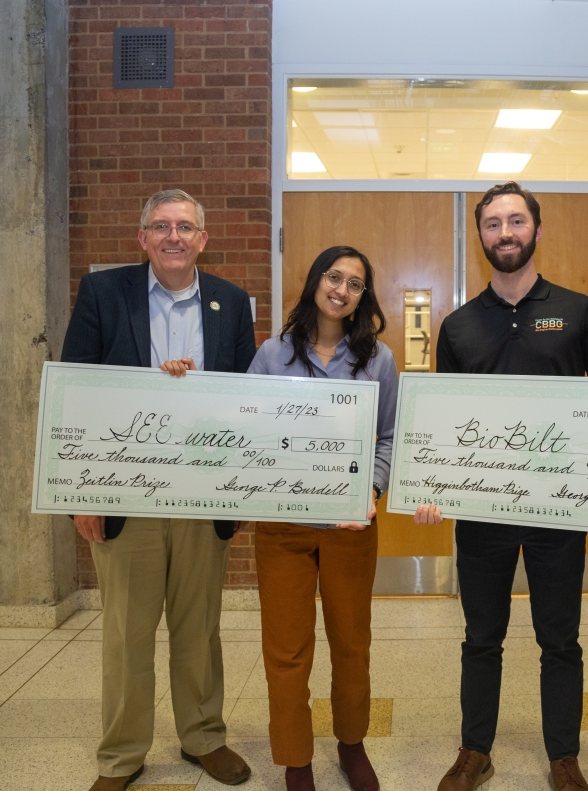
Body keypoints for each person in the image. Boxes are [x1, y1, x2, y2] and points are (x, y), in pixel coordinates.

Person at [413, 181, 588, 791]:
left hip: (557, 511)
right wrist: (432, 484)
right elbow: (443, 419)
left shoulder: (579, 309)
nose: (504, 233)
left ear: (536, 228)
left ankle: (564, 756)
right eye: (492, 224)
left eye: (515, 221)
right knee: (481, 637)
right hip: (482, 514)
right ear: (479, 235)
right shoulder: (457, 325)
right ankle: (474, 750)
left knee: (559, 638)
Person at [162, 246, 395, 791]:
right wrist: (183, 382)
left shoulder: (378, 359)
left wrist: (373, 488)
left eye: (355, 283)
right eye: (334, 277)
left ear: (364, 296)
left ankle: (351, 743)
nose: (342, 289)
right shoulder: (272, 354)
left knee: (351, 643)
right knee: (286, 651)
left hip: (349, 526)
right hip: (284, 530)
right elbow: (241, 428)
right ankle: (295, 759)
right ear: (316, 281)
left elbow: (386, 436)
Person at [62, 189, 257, 791]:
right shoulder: (104, 294)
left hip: (203, 497)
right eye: (160, 227)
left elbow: (249, 400)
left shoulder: (232, 301)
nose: (173, 237)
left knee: (198, 627)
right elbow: (77, 391)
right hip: (127, 495)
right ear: (142, 237)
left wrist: (243, 485)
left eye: (185, 227)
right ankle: (121, 756)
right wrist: (82, 491)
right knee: (126, 632)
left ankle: (203, 737)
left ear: (203, 238)